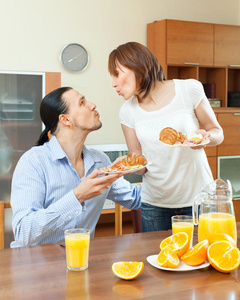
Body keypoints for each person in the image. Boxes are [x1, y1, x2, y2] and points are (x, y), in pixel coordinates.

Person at [108, 41, 224, 232]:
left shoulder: (189, 89)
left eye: (117, 74)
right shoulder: (127, 111)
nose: (113, 83)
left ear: (138, 66)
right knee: (158, 259)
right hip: (155, 204)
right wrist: (129, 165)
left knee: (200, 259)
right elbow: (140, 162)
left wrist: (204, 139)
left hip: (198, 199)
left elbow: (217, 132)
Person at [10, 87, 141, 247]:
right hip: (35, 265)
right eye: (82, 102)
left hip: (80, 260)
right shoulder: (33, 162)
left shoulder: (100, 161)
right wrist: (78, 196)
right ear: (65, 119)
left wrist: (169, 164)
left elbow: (135, 199)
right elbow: (24, 233)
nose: (92, 105)